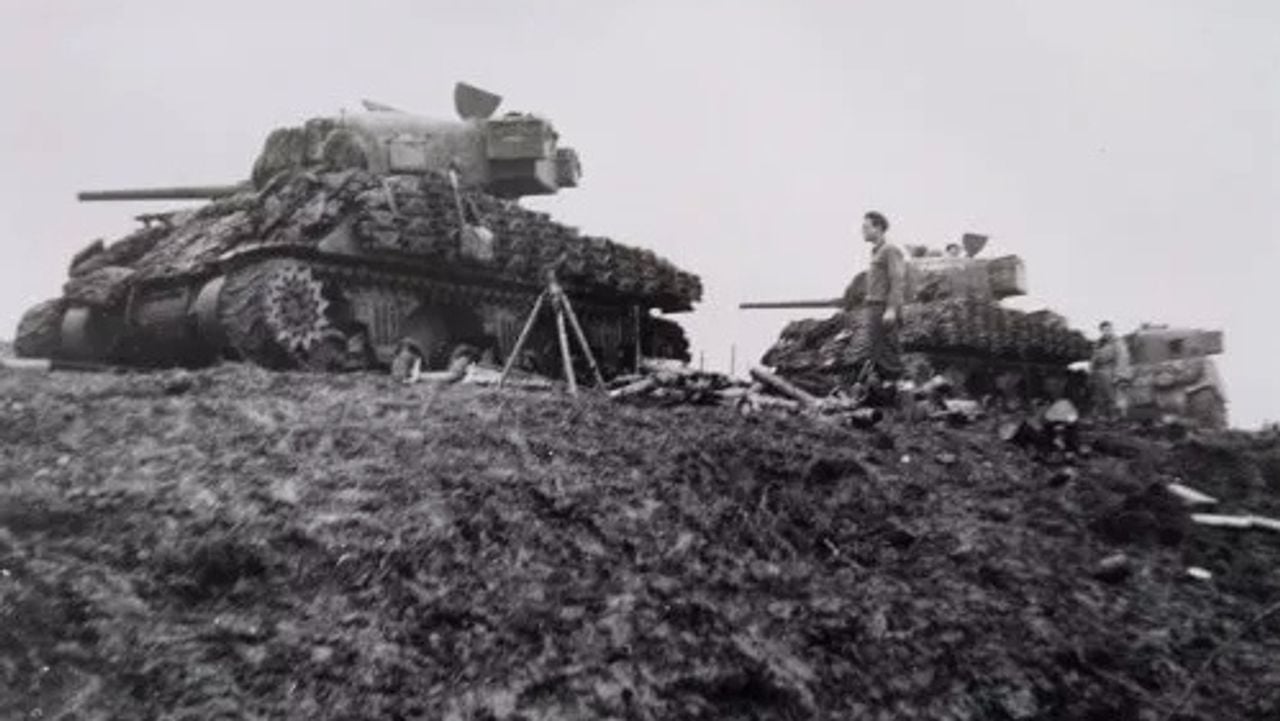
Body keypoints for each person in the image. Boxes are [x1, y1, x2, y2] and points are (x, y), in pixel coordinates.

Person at [861, 210, 906, 383]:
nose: (862, 231)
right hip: (873, 306)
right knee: (876, 352)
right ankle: (883, 395)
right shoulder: (876, 252)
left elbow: (897, 281)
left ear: (878, 227)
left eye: (866, 227)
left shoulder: (890, 250)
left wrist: (891, 309)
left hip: (882, 307)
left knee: (889, 353)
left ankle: (900, 395)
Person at [1090, 320, 1131, 419]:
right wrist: (1092, 370)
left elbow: (1122, 358)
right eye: (1104, 330)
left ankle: (1115, 417)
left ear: (1112, 329)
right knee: (1100, 396)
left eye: (1108, 329)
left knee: (1113, 396)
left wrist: (1119, 375)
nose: (1106, 332)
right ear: (1101, 331)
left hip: (1111, 371)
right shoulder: (1099, 343)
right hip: (1099, 372)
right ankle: (1103, 416)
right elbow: (1094, 357)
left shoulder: (1117, 342)